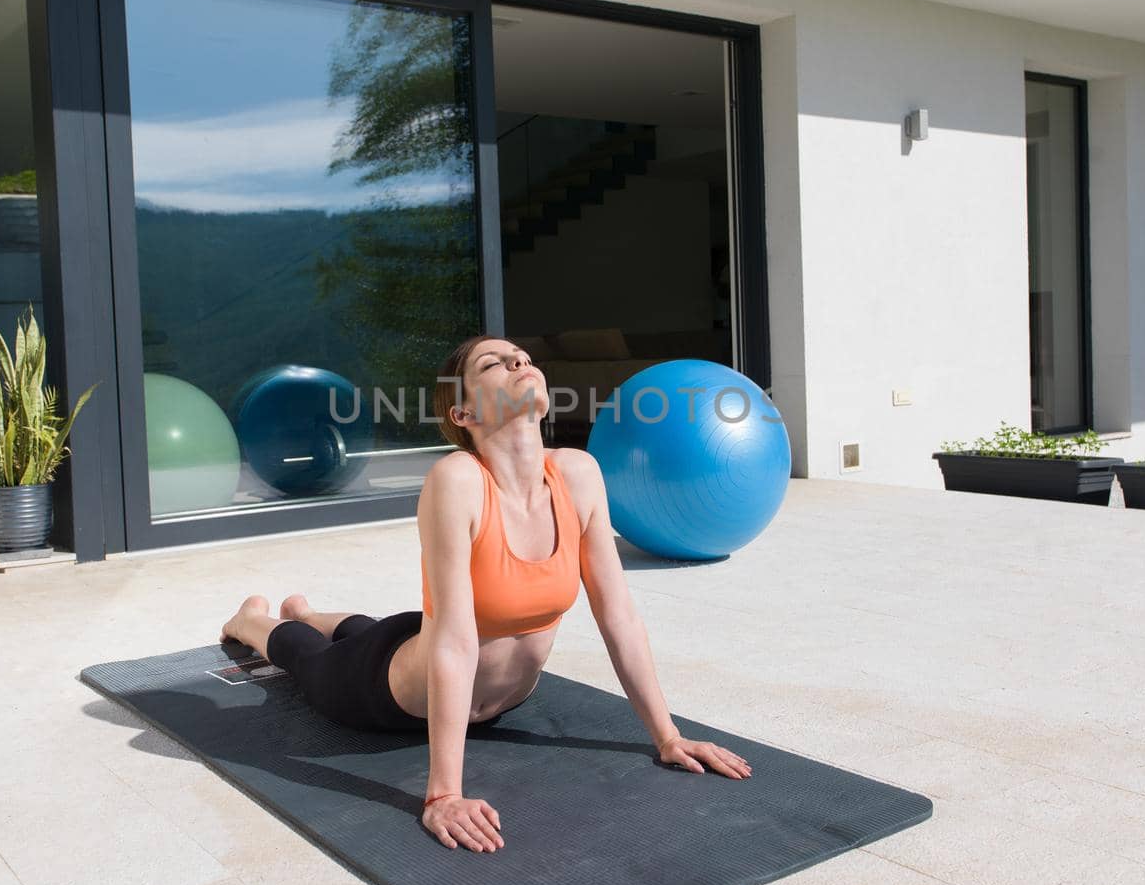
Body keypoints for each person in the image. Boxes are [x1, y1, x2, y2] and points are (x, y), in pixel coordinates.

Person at [220, 332, 751, 853]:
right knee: (308, 656)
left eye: (522, 358)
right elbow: (453, 643)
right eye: (495, 365)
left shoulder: (578, 472)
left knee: (373, 629)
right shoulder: (458, 481)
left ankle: (309, 609)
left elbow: (620, 618)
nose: (521, 364)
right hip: (388, 691)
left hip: (463, 672)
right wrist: (444, 793)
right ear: (463, 414)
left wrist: (668, 736)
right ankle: (253, 621)